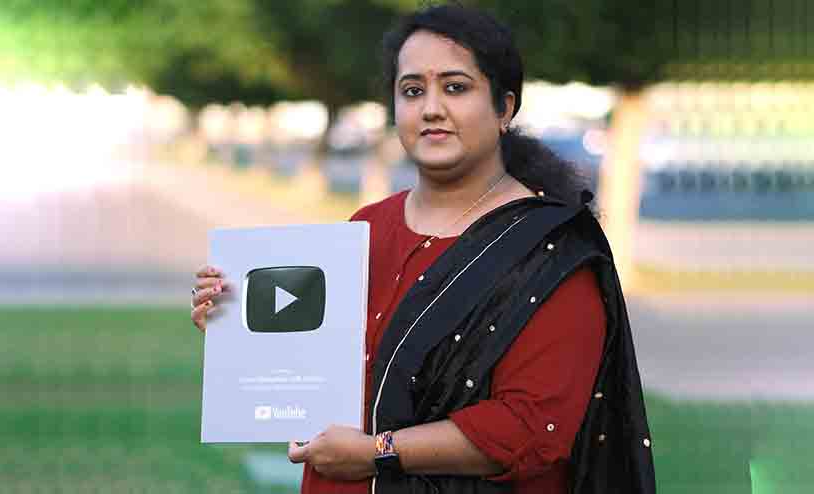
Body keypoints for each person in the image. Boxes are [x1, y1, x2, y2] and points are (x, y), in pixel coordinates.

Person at [191, 4, 656, 493]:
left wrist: (377, 453)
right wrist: (237, 327)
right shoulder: (367, 228)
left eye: (455, 87)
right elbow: (325, 369)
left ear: (504, 108)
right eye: (413, 90)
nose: (431, 108)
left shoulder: (549, 250)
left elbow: (532, 427)